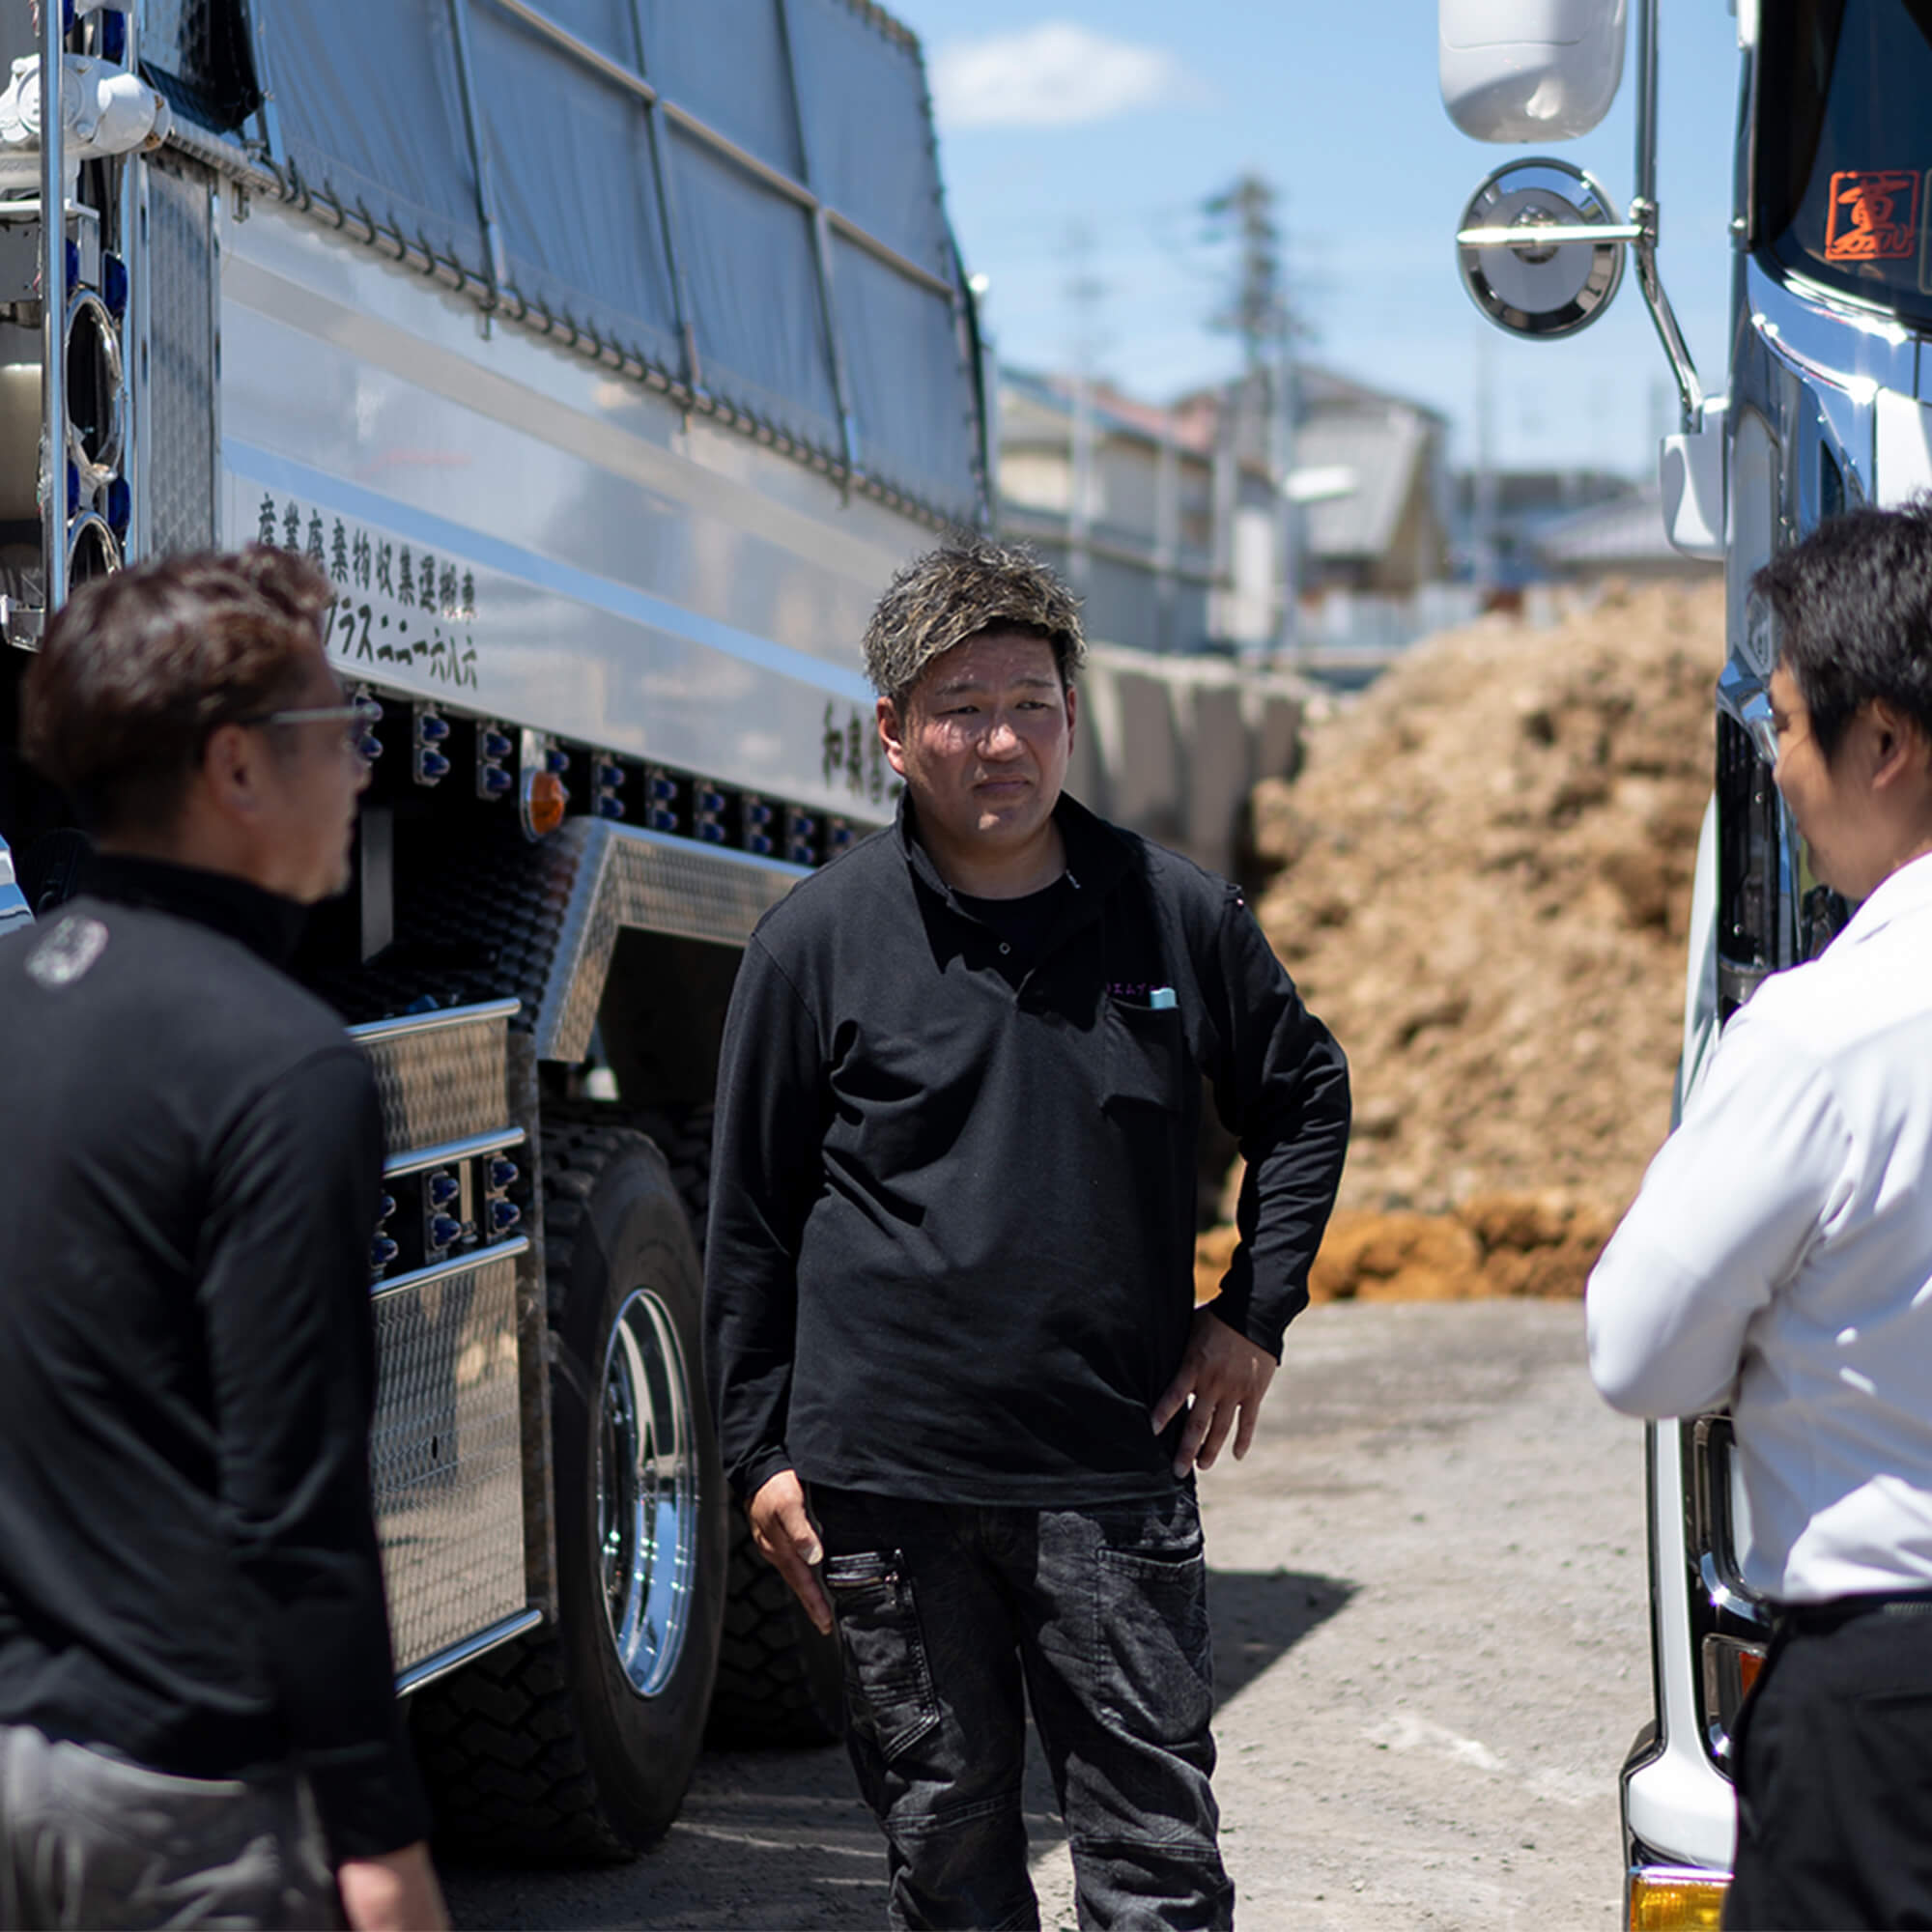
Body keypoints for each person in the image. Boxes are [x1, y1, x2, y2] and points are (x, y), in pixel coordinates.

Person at [705, 536, 1350, 1929]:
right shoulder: (814, 946)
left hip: (1108, 1470)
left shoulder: (1172, 916)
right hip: (887, 1490)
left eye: (1032, 704)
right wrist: (755, 1452)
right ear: (893, 732)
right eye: (962, 708)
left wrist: (1254, 1313)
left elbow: (1305, 1096)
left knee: (1156, 1863)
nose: (1002, 741)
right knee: (947, 1862)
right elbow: (748, 1218)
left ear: (1071, 713)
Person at [0, 550, 446, 1931]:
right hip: (179, 1798)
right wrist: (381, 1839)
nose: (363, 768)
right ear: (237, 766)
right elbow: (293, 1506)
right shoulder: (281, 1065)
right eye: (342, 727)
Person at [1587, 500, 1932, 1930]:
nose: (1779, 769)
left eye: (1786, 726)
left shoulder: (1825, 1032)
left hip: (1887, 1710)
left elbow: (1640, 1350)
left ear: (1885, 741)